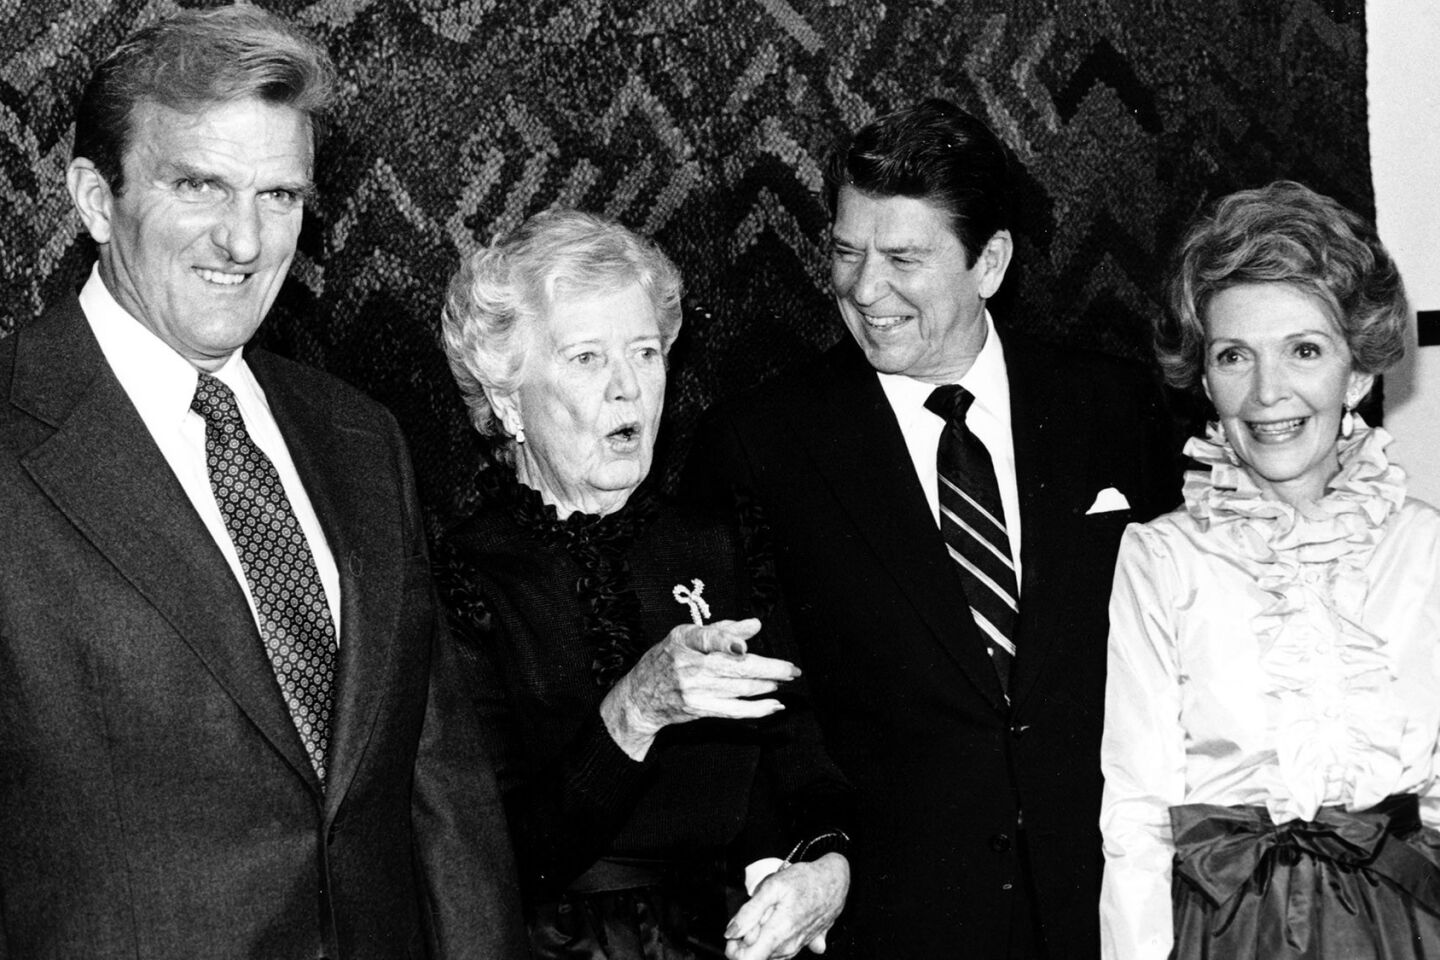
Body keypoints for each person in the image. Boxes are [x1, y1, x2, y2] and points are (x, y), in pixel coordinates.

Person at [0, 8, 525, 957]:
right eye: (200, 184)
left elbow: (440, 792)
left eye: (280, 195)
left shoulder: (360, 437)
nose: (244, 242)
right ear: (93, 198)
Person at [683, 98, 1181, 958]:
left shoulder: (1116, 410)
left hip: (1110, 913)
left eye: (904, 257)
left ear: (988, 263)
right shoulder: (759, 444)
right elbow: (753, 716)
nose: (864, 288)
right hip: (892, 922)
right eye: (846, 251)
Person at [435, 208, 854, 960]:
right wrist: (632, 710)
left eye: (646, 352)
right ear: (505, 398)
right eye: (587, 359)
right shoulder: (467, 574)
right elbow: (488, 856)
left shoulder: (722, 534)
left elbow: (804, 763)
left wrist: (827, 867)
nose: (629, 389)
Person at [1100, 180, 1440, 959]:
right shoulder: (1161, 559)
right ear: (1207, 381)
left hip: (1406, 927)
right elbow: (1135, 815)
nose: (1267, 392)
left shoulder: (1427, 549)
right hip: (1226, 931)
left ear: (1357, 374)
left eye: (1305, 350)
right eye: (1234, 357)